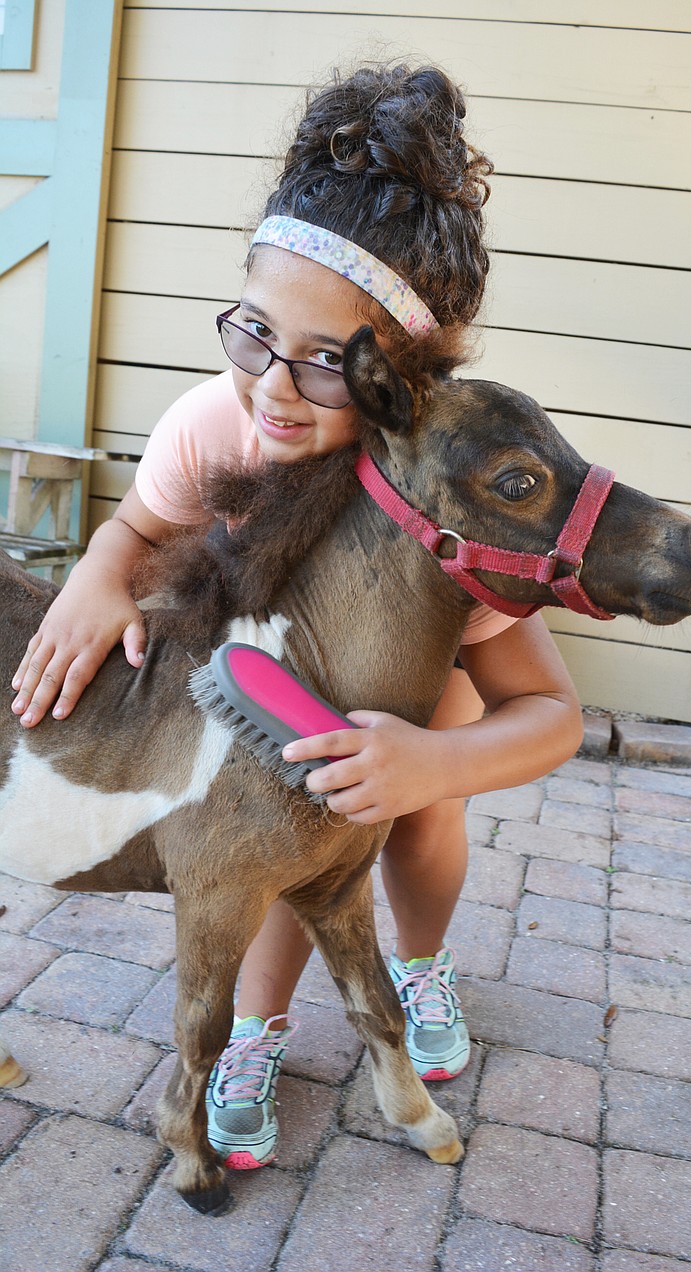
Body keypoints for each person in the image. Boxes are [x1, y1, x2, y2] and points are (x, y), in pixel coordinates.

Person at [10, 63, 583, 1171]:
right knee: (273, 817)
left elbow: (549, 709)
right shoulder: (211, 424)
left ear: (395, 387)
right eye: (254, 333)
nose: (273, 387)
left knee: (414, 827)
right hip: (266, 695)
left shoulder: (431, 491)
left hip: (416, 696)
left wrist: (433, 762)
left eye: (327, 364)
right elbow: (134, 528)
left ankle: (418, 964)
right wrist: (96, 573)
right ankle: (255, 1034)